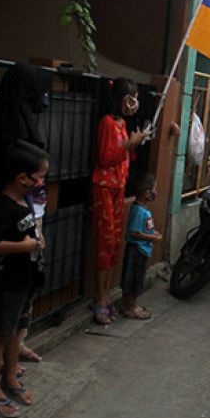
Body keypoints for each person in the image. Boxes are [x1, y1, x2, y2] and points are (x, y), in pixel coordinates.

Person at [0, 142, 49, 418]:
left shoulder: (23, 202)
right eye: (38, 177)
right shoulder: (2, 206)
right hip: (5, 281)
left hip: (22, 280)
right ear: (22, 178)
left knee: (12, 331)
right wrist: (26, 246)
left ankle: (9, 378)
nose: (41, 183)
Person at [91, 78, 150, 325]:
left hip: (119, 186)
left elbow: (125, 153)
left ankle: (105, 295)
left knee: (114, 243)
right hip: (105, 187)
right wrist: (129, 144)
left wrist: (137, 141)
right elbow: (105, 157)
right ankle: (100, 298)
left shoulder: (122, 123)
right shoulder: (106, 122)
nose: (133, 102)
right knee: (105, 243)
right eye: (129, 97)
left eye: (136, 97)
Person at [120, 173, 163, 319]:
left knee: (134, 279)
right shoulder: (138, 210)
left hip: (141, 250)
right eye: (154, 190)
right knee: (134, 281)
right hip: (136, 250)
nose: (156, 193)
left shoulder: (142, 209)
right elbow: (134, 232)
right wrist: (152, 237)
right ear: (146, 193)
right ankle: (131, 307)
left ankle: (129, 306)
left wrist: (152, 233)